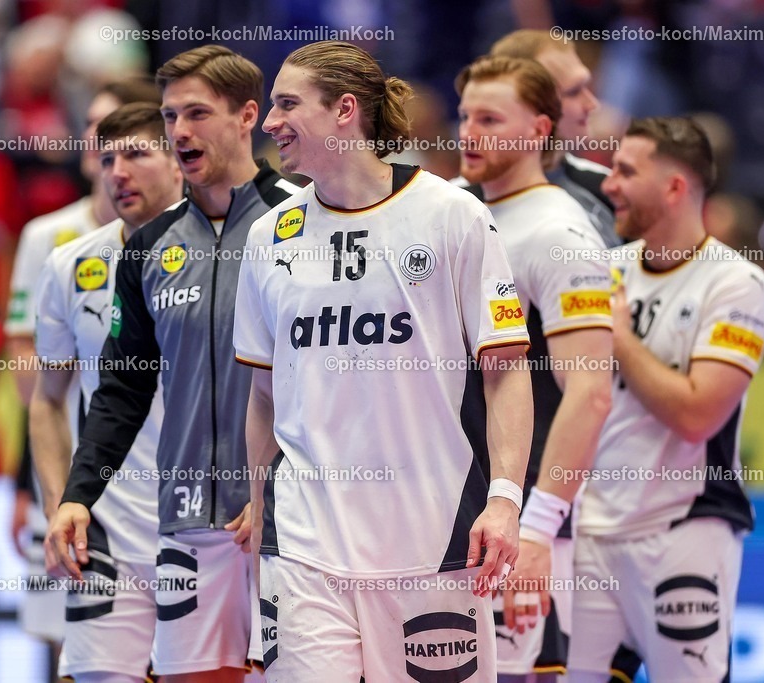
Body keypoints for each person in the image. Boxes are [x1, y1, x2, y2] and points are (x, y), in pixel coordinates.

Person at [236, 40, 533, 682]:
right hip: (305, 543)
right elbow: (263, 392)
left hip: (435, 540)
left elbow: (506, 371)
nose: (268, 122)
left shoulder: (452, 215)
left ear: (345, 110)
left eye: (287, 104)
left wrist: (506, 500)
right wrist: (254, 497)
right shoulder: (268, 237)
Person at [47, 45, 299, 682]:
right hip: (188, 523)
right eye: (169, 117)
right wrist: (78, 496)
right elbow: (121, 391)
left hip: (290, 524)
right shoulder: (152, 247)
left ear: (248, 116)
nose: (180, 131)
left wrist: (276, 485)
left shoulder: (303, 219)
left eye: (197, 113)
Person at [568, 117, 764, 682]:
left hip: (685, 530)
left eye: (626, 171)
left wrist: (619, 337)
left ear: (675, 188)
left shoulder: (737, 284)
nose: (609, 183)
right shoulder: (604, 272)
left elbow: (696, 414)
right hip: (591, 533)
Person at [456, 55, 613, 681]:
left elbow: (591, 395)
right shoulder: (458, 212)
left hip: (523, 528)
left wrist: (539, 530)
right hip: (463, 514)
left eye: (490, 118)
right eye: (465, 115)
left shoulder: (560, 233)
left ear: (539, 130)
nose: (468, 131)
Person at [4, 77, 162, 657]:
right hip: (93, 502)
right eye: (101, 137)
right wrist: (45, 491)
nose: (112, 155)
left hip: (195, 514)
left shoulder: (225, 249)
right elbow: (42, 384)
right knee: (72, 654)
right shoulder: (57, 248)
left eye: (130, 141)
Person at [32, 102, 180, 683]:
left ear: (179, 162)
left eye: (137, 154)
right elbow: (46, 399)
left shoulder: (232, 252)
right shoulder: (70, 264)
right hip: (106, 522)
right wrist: (57, 502)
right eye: (106, 157)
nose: (116, 171)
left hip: (204, 521)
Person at [488, 30, 618, 248]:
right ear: (525, 104)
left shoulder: (608, 189)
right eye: (574, 91)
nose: (592, 104)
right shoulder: (460, 203)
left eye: (587, 86)